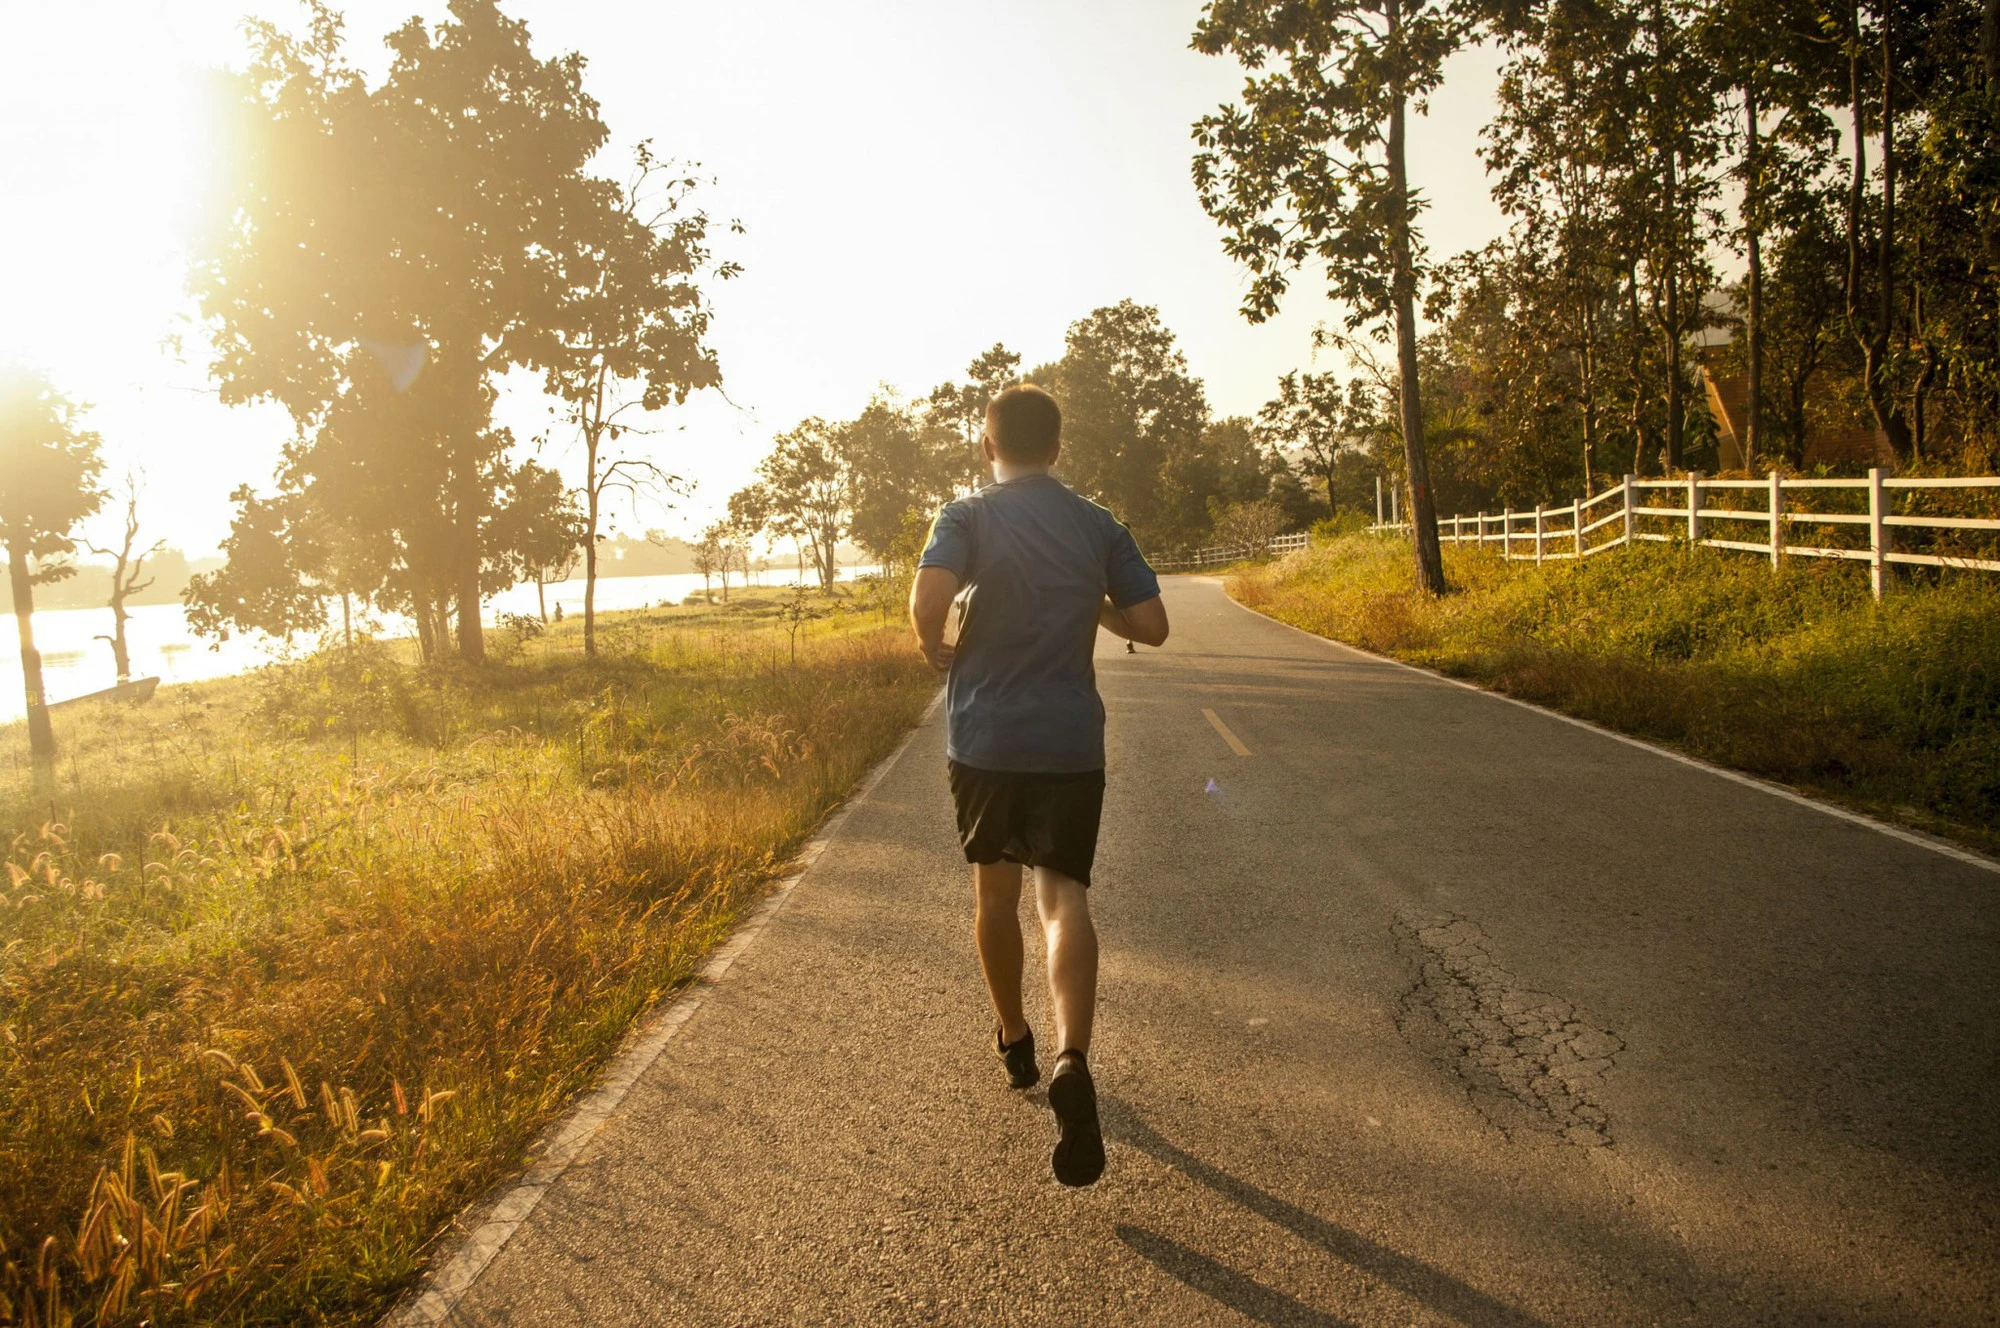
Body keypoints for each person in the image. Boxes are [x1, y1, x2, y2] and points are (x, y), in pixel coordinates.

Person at [908, 383, 1169, 1187]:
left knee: (996, 899)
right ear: (1056, 449)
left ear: (989, 448)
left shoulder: (969, 514)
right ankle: (1072, 1059)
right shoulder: (1096, 524)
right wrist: (1089, 602)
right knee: (1063, 901)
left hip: (985, 741)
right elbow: (1153, 625)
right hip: (1067, 744)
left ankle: (1015, 1040)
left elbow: (929, 597)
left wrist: (932, 645)